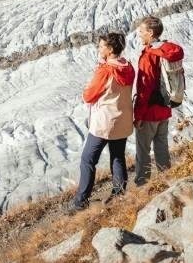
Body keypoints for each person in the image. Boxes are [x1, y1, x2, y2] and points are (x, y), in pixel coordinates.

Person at [69, 31, 136, 212]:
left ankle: (80, 201)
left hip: (104, 123)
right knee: (118, 157)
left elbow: (89, 96)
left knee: (87, 160)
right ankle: (119, 194)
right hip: (123, 120)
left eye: (101, 46)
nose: (99, 49)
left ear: (110, 48)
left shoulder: (105, 71)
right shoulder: (128, 67)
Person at [133, 15, 184, 186]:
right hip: (165, 108)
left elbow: (144, 86)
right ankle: (167, 181)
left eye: (141, 31)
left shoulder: (149, 55)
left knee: (143, 151)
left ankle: (142, 186)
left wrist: (138, 115)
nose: (139, 34)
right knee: (162, 148)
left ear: (150, 32)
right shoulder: (165, 50)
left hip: (149, 112)